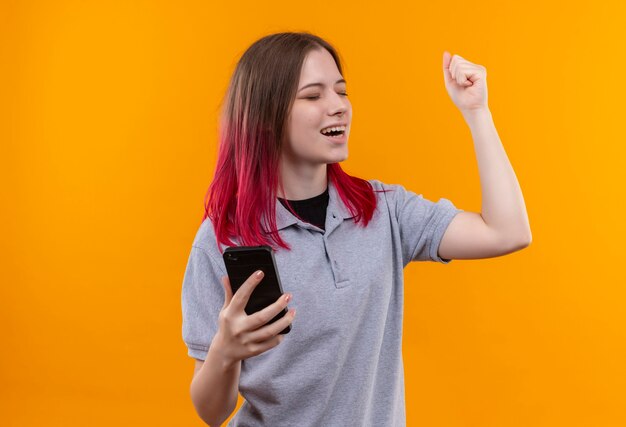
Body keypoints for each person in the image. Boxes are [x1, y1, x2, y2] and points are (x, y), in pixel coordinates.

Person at [181, 32, 531, 426]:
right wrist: (225, 352)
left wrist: (477, 111)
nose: (338, 107)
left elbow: (507, 232)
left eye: (341, 91)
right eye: (313, 96)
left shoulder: (384, 211)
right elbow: (212, 413)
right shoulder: (221, 240)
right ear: (265, 116)